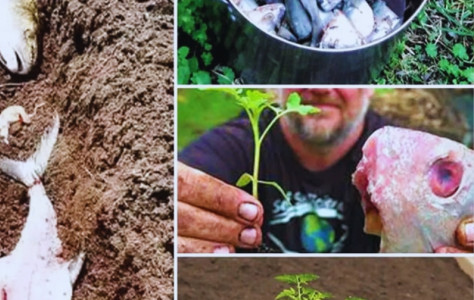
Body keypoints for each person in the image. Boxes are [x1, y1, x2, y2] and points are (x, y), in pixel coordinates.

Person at [177, 88, 473, 253]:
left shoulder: (401, 158)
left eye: (342, 76)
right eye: (301, 72)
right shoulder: (238, 145)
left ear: (370, 87)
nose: (319, 87)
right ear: (271, 86)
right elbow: (186, 177)